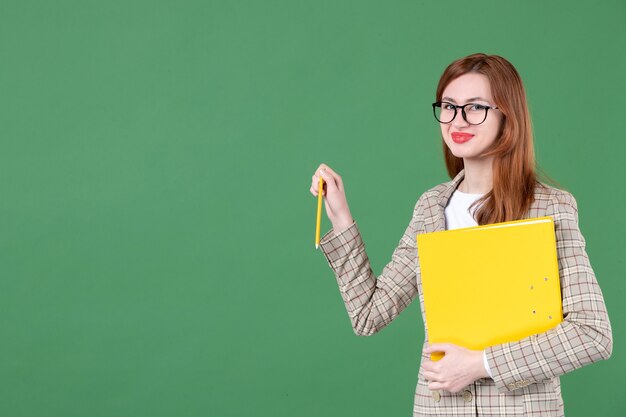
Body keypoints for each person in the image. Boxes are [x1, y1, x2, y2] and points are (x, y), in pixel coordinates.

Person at [309, 53, 612, 416]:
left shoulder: (550, 207)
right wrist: (341, 217)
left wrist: (481, 364)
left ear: (507, 116)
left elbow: (592, 334)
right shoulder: (431, 207)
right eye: (449, 106)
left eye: (475, 107)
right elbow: (369, 315)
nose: (458, 120)